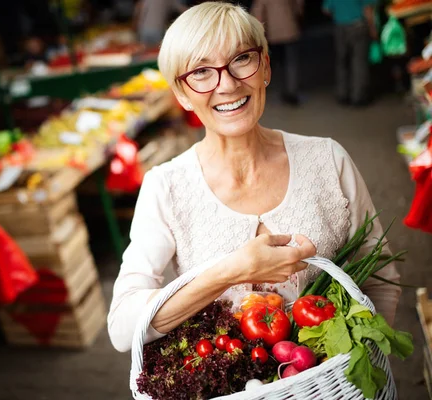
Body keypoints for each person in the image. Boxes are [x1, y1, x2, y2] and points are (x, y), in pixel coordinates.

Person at [107, 2, 401, 353]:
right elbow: (123, 329)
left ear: (265, 67)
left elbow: (381, 277)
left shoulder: (327, 158)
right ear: (182, 95)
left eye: (241, 59)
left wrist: (362, 366)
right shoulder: (165, 187)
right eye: (201, 71)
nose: (228, 84)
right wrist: (230, 272)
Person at [323, 0, 378, 106]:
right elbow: (368, 9)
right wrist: (372, 29)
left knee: (342, 61)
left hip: (340, 27)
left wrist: (340, 14)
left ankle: (342, 94)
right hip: (358, 24)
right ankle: (358, 96)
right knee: (359, 61)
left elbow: (326, 9)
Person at [251, 0, 304, 106]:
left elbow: (258, 13)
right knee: (291, 63)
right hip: (290, 30)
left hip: (273, 33)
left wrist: (259, 32)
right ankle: (291, 91)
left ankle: (266, 87)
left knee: (272, 62)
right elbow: (299, 5)